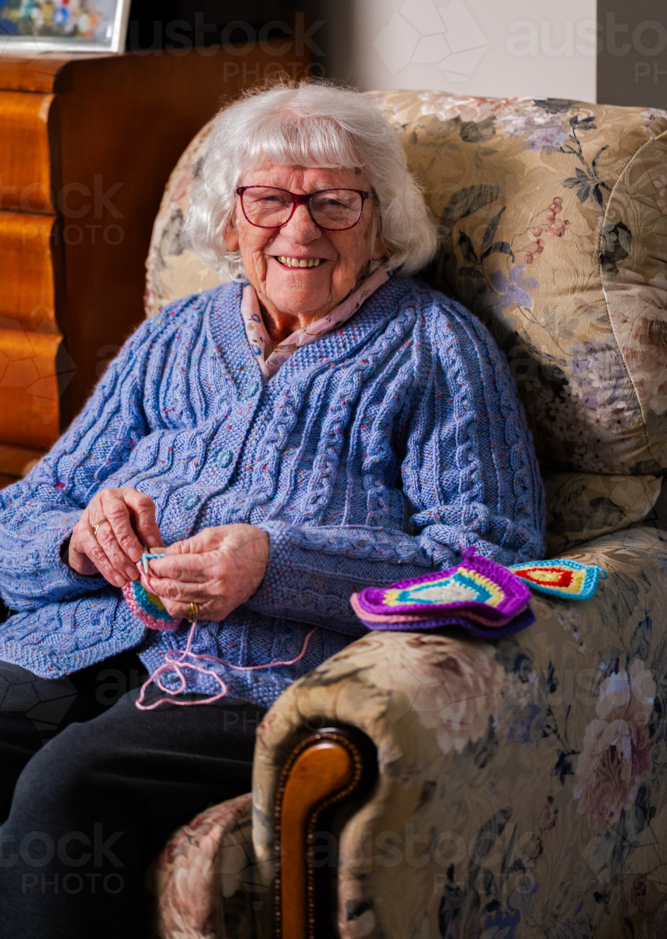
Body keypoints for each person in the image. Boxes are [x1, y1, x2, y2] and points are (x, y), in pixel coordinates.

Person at [0, 82, 545, 936]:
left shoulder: (435, 347)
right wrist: (75, 541)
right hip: (84, 635)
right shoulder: (175, 333)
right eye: (269, 200)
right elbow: (29, 507)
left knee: (68, 791)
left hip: (252, 676)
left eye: (334, 202)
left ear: (380, 221)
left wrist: (275, 565)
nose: (299, 230)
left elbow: (489, 565)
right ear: (230, 219)